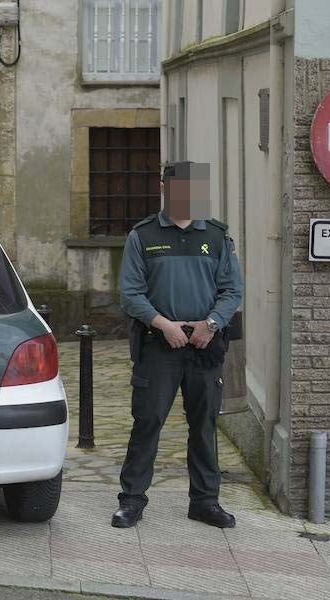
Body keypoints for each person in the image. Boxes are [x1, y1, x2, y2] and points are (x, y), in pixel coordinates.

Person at [113, 161, 244, 529]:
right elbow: (130, 294)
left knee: (204, 425)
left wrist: (211, 324)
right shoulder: (143, 235)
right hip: (159, 345)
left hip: (205, 346)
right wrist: (163, 325)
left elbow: (232, 290)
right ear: (164, 189)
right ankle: (132, 501)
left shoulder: (218, 236)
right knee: (148, 422)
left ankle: (204, 502)